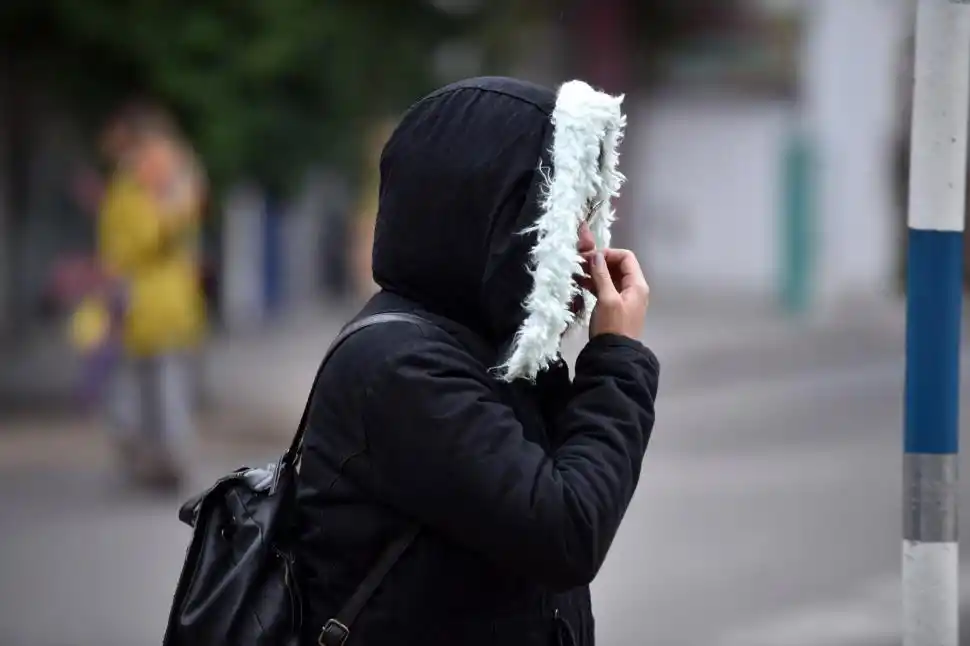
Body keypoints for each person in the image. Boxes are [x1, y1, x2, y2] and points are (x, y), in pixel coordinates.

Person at [295, 77, 659, 645]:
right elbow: (567, 531)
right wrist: (617, 356)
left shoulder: (482, 343)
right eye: (561, 214)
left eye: (585, 213)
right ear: (491, 219)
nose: (587, 244)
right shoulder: (399, 367)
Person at [96, 109, 207, 491]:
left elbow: (154, 238)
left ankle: (168, 462)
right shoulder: (131, 191)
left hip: (166, 309)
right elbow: (123, 242)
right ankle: (148, 459)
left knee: (165, 390)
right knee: (137, 391)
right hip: (137, 305)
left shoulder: (169, 196)